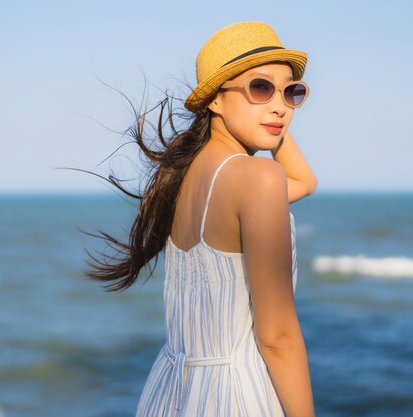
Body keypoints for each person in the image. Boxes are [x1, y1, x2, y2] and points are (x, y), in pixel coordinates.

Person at [82, 21, 317, 417]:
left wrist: (266, 115)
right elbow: (277, 337)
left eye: (291, 91)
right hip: (238, 397)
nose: (280, 104)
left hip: (170, 390)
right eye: (260, 87)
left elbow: (304, 182)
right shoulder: (257, 178)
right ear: (214, 99)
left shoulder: (181, 178)